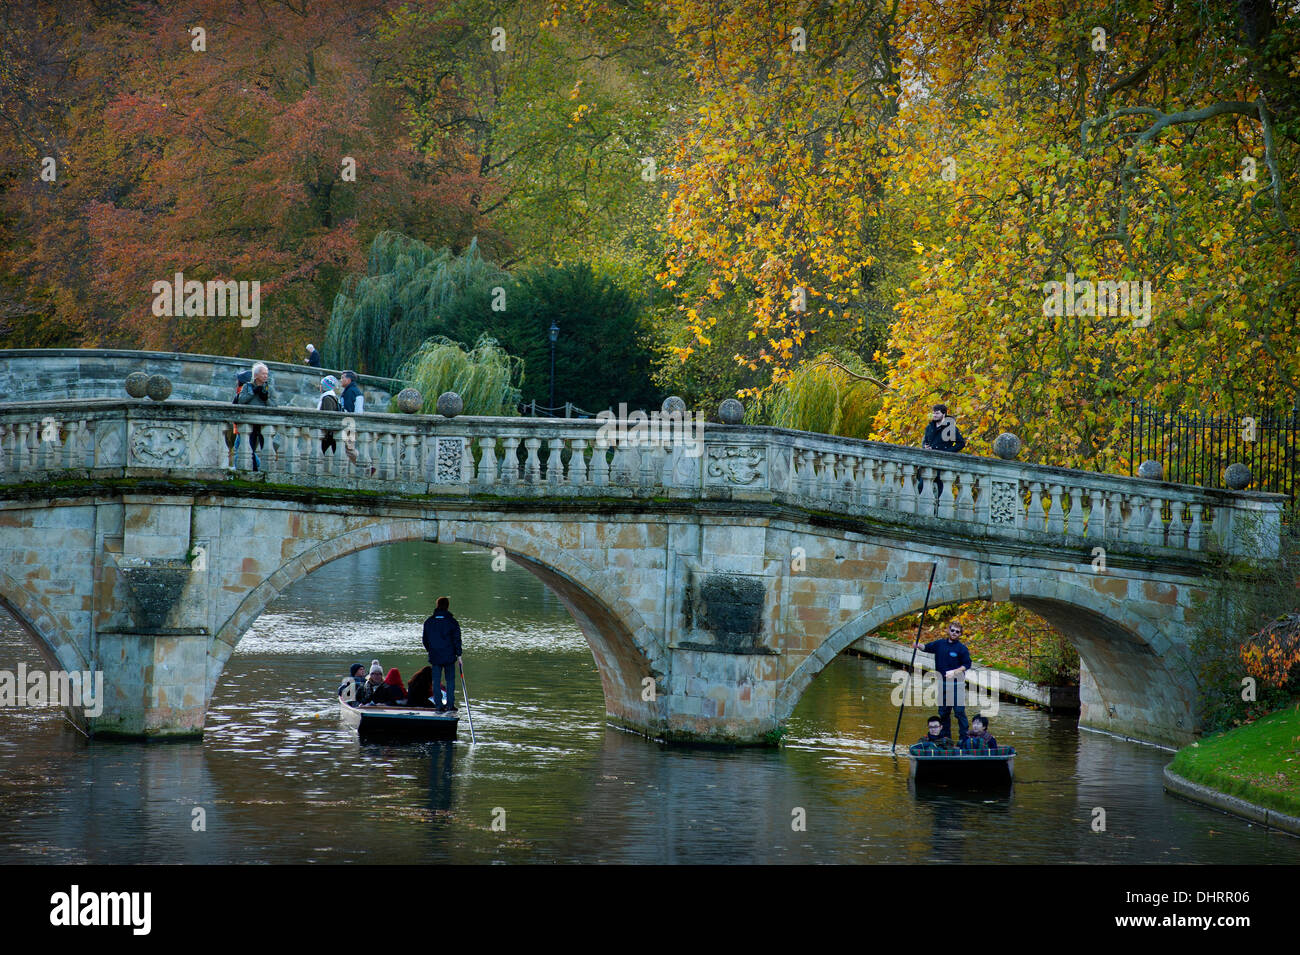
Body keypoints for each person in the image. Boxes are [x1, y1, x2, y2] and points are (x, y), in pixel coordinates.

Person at [914, 620, 974, 741]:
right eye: (952, 630)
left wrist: (955, 672)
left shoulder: (962, 649)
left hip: (957, 684)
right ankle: (947, 739)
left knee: (959, 712)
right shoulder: (940, 644)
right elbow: (925, 647)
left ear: (960, 634)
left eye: (957, 632)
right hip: (942, 684)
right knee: (943, 713)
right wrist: (917, 645)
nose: (954, 633)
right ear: (948, 630)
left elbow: (967, 664)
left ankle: (964, 739)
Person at [422, 596, 462, 713]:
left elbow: (425, 640)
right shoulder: (452, 622)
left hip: (435, 656)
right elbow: (457, 640)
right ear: (447, 606)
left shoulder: (429, 622)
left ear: (437, 605)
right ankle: (450, 705)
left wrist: (431, 650)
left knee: (436, 681)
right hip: (449, 656)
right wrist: (459, 655)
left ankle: (438, 705)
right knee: (450, 681)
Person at [919, 403, 966, 497]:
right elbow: (924, 441)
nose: (934, 415)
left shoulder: (950, 428)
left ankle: (938, 510)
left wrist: (947, 452)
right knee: (921, 486)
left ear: (943, 414)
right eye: (933, 413)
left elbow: (961, 443)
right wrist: (925, 446)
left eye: (937, 413)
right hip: (929, 461)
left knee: (942, 490)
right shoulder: (930, 427)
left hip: (943, 463)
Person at [234, 361, 274, 470]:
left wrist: (266, 398)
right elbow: (241, 401)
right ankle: (252, 469)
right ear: (256, 375)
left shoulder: (268, 388)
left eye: (266, 373)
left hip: (264, 423)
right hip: (250, 422)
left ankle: (267, 470)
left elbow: (274, 406)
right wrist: (253, 392)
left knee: (266, 446)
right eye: (263, 373)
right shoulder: (247, 386)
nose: (266, 376)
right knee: (249, 448)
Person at [317, 375, 340, 457]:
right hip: (330, 433)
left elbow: (328, 415)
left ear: (325, 386)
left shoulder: (327, 398)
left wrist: (327, 432)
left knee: (318, 452)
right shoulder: (331, 397)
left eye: (321, 384)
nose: (319, 386)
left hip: (328, 433)